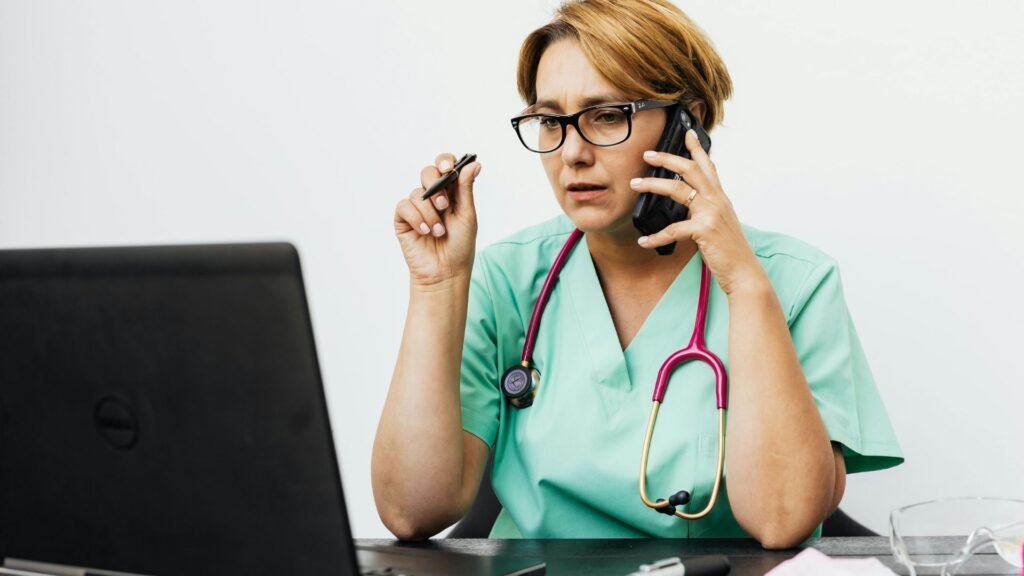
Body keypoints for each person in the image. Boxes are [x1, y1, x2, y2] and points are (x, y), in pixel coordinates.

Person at [373, 0, 903, 548]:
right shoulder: (506, 278)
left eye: (606, 116)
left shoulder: (796, 282)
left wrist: (745, 287)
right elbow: (412, 511)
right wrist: (437, 287)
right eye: (550, 121)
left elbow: (783, 520)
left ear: (687, 123)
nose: (572, 152)